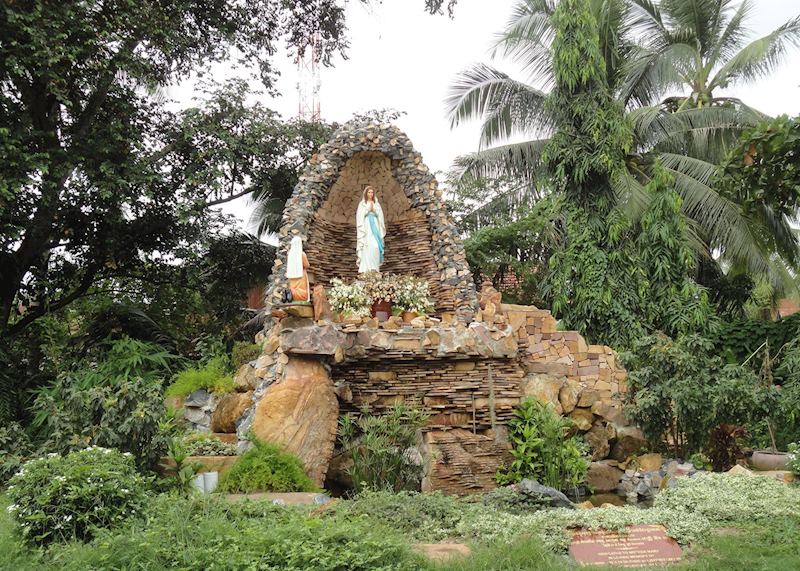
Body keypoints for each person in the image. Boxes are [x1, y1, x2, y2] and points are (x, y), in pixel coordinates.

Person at [356, 185, 386, 273]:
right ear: (366, 193)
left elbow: (380, 216)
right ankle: (366, 269)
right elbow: (359, 216)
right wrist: (367, 210)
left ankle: (375, 268)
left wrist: (375, 211)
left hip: (375, 225)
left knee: (375, 246)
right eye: (369, 192)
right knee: (367, 245)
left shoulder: (376, 204)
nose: (370, 194)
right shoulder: (362, 204)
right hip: (366, 226)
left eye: (372, 192)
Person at [286, 236, 311, 302]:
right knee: (302, 292)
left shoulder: (290, 254)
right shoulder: (302, 254)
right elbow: (307, 265)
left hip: (292, 276)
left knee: (293, 288)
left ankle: (291, 293)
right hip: (301, 275)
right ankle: (294, 294)